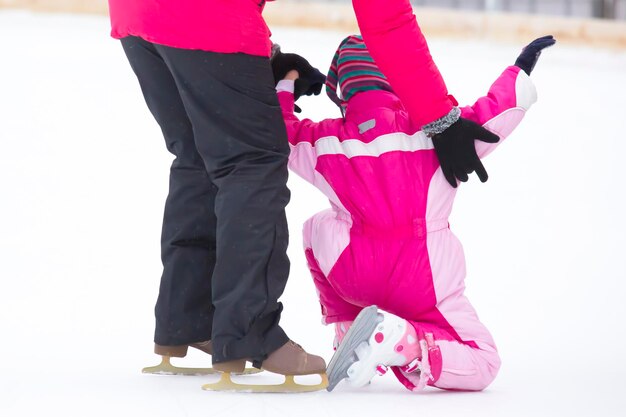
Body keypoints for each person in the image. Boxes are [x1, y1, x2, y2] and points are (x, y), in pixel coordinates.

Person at [274, 32, 555, 392]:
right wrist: (518, 72)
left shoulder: (327, 142)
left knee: (315, 228)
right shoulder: (438, 131)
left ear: (341, 93)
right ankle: (407, 344)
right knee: (484, 359)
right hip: (424, 279)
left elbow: (282, 135)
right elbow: (495, 114)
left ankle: (348, 324)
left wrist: (284, 84)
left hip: (355, 274)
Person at [107, 0, 327, 391]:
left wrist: (266, 57)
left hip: (137, 16)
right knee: (253, 163)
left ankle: (190, 320)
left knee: (197, 154)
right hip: (206, 18)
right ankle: (249, 334)